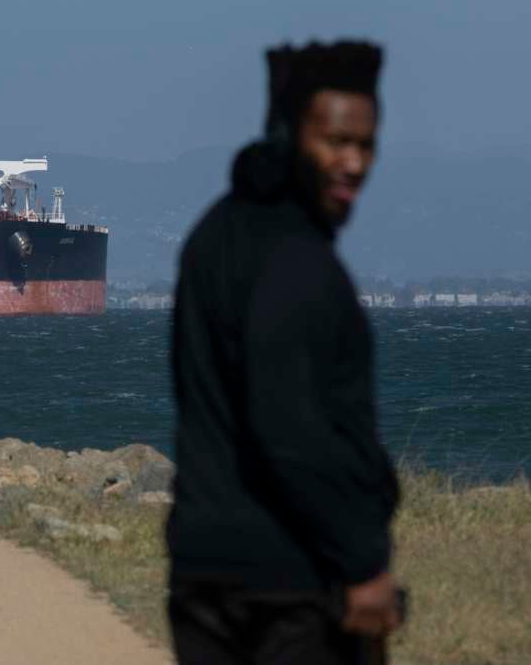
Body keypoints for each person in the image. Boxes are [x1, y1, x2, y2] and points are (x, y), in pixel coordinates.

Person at [168, 40, 403, 664]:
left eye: (366, 145)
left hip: (200, 572)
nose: (353, 163)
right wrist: (363, 563)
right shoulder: (298, 261)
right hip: (288, 588)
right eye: (335, 141)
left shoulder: (211, 236)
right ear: (290, 134)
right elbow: (291, 428)